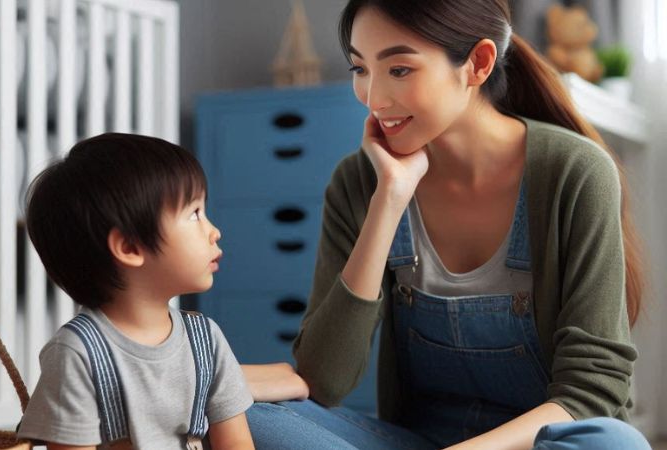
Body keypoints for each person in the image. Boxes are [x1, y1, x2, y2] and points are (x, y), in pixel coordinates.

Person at [244, 1, 652, 449]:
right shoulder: (359, 181)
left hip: (541, 443)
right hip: (415, 440)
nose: (373, 97)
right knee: (247, 416)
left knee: (613, 444)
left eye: (399, 69)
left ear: (477, 64)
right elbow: (323, 380)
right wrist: (389, 200)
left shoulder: (574, 172)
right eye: (359, 69)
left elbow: (593, 391)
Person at [17, 133, 254, 450]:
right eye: (195, 213)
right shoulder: (77, 353)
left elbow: (237, 444)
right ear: (129, 246)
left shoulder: (205, 340)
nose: (214, 231)